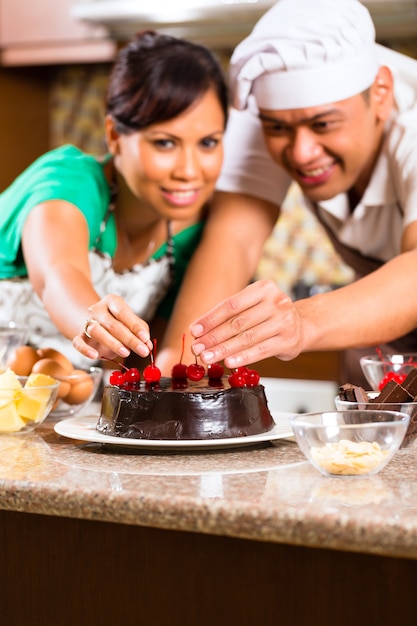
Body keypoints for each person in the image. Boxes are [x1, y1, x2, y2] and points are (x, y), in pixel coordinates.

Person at [183, 0, 417, 386]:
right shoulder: (272, 111)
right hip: (382, 341)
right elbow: (233, 240)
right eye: (277, 129)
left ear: (380, 93)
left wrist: (300, 322)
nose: (300, 152)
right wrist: (184, 365)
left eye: (323, 124)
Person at [0, 30, 228, 370]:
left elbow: (151, 360)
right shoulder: (68, 182)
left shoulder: (192, 236)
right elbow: (56, 276)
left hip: (56, 413)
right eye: (165, 143)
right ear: (114, 136)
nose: (190, 170)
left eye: (208, 143)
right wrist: (89, 320)